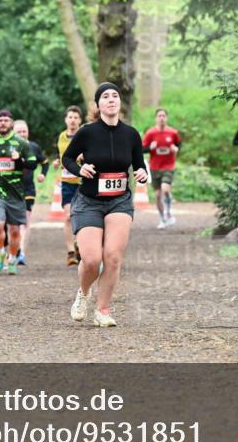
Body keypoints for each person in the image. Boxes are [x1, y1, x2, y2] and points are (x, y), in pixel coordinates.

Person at [61, 82, 149, 328]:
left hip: (119, 201)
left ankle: (103, 309)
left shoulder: (131, 134)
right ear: (98, 105)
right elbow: (67, 158)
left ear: (119, 103)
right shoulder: (87, 132)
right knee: (91, 260)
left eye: (115, 96)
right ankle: (83, 292)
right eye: (105, 97)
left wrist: (142, 174)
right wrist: (81, 169)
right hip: (89, 201)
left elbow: (139, 165)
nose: (111, 99)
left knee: (112, 257)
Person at [0, 109, 36, 275]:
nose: (3, 123)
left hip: (16, 193)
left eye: (6, 120)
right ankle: (0, 253)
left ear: (11, 123)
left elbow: (32, 164)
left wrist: (20, 160)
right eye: (0, 120)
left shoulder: (21, 143)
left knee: (15, 230)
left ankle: (12, 259)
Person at [13, 119, 49, 266]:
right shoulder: (8, 147)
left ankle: (21, 252)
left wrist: (43, 174)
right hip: (11, 188)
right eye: (19, 131)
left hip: (28, 188)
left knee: (26, 221)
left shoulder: (33, 147)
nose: (22, 134)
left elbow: (45, 162)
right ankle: (12, 250)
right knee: (13, 223)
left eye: (24, 131)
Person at [142, 108, 181, 229]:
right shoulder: (150, 133)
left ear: (167, 118)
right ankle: (162, 218)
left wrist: (176, 148)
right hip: (154, 167)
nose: (162, 118)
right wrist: (150, 148)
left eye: (164, 116)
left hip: (169, 166)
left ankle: (168, 213)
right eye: (159, 116)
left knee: (165, 189)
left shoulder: (173, 132)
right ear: (156, 118)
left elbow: (178, 145)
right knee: (158, 195)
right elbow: (142, 149)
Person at [56, 105, 83, 265]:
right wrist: (57, 162)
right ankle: (71, 252)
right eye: (70, 117)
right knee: (68, 216)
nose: (72, 120)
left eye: (75, 117)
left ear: (79, 120)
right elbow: (63, 156)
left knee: (80, 216)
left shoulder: (84, 135)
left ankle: (80, 244)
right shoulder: (61, 137)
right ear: (66, 120)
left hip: (82, 182)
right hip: (67, 183)